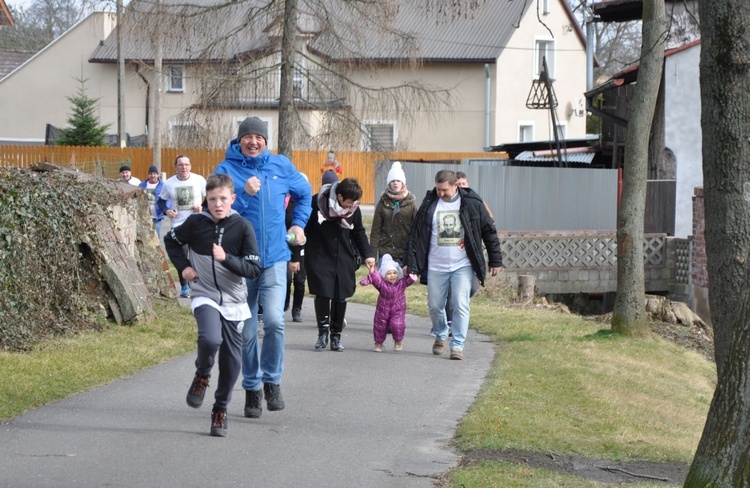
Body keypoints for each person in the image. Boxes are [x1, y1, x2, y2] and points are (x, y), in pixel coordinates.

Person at [214, 116, 311, 419]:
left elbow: (305, 193)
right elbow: (216, 211)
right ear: (239, 140)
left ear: (266, 141)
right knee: (245, 329)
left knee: (274, 321)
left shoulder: (281, 165)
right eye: (248, 137)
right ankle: (252, 388)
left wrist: (298, 223)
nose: (253, 142)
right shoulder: (226, 170)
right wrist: (244, 194)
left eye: (259, 137)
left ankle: (272, 382)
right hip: (238, 263)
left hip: (275, 257)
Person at [163, 174, 261, 437]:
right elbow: (171, 241)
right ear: (206, 199)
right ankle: (202, 374)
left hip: (233, 300)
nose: (218, 204)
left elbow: (253, 268)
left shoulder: (243, 227)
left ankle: (220, 409)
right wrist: (183, 267)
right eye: (213, 199)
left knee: (232, 360)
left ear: (233, 199)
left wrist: (226, 257)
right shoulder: (196, 223)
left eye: (223, 199)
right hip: (204, 292)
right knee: (209, 338)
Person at [403, 169, 503, 360]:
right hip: (436, 266)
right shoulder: (429, 204)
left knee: (460, 303)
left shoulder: (472, 203)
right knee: (435, 305)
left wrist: (495, 259)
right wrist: (410, 261)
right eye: (438, 189)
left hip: (462, 265)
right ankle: (441, 334)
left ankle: (457, 345)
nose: (441, 193)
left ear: (455, 185)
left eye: (445, 190)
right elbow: (415, 235)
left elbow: (489, 231)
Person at [305, 177, 375, 352]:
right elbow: (304, 226)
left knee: (340, 295)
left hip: (343, 256)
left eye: (354, 203)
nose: (351, 206)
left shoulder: (353, 210)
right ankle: (322, 333)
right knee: (322, 293)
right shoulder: (317, 202)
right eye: (349, 202)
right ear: (340, 196)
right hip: (320, 254)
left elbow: (358, 232)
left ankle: (336, 336)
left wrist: (367, 255)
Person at [158, 155, 207, 298]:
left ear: (190, 166)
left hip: (198, 223)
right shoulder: (169, 183)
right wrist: (167, 211)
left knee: (199, 256)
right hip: (179, 225)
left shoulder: (199, 180)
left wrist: (201, 208)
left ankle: (201, 285)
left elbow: (209, 197)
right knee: (182, 257)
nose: (184, 167)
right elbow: (161, 201)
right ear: (175, 167)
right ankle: (184, 286)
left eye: (186, 165)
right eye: (180, 165)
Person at [361, 254, 416, 352]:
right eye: (389, 273)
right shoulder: (381, 283)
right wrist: (372, 270)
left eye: (394, 273)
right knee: (380, 325)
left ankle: (398, 341)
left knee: (397, 324)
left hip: (398, 309)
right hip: (383, 309)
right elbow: (375, 277)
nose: (392, 275)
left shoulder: (401, 283)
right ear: (384, 275)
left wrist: (410, 271)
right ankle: (378, 343)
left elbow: (410, 279)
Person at [369, 161, 417, 264]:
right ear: (389, 183)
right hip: (386, 253)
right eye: (393, 180)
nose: (395, 183)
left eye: (398, 180)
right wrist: (373, 256)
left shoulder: (411, 204)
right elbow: (375, 232)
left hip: (404, 253)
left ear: (403, 183)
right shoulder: (382, 203)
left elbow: (416, 230)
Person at [284, 173, 310, 323]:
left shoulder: (306, 205)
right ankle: (285, 302)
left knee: (300, 280)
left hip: (302, 246)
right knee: (287, 278)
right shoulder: (286, 203)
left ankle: (297, 309)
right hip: (286, 245)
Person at [138, 165, 166, 238]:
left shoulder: (163, 185)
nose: (152, 175)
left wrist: (165, 210)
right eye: (150, 174)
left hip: (157, 215)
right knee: (145, 236)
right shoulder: (142, 185)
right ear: (148, 175)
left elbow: (167, 199)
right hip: (145, 215)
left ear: (158, 175)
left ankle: (157, 249)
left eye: (154, 173)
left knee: (156, 236)